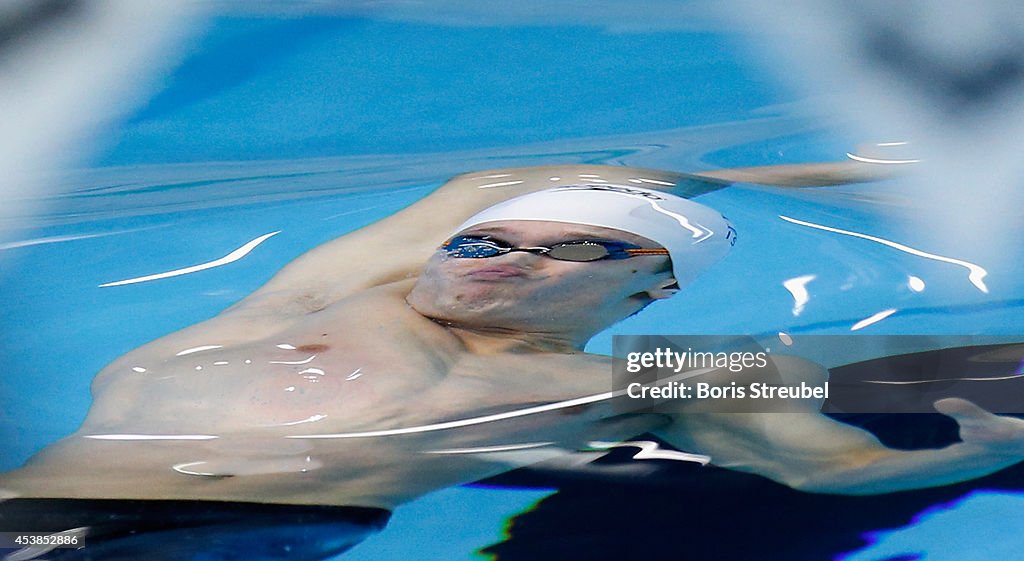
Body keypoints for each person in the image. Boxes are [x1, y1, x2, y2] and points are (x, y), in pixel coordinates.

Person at [1, 163, 1021, 560]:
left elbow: (824, 467)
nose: (509, 258)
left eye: (573, 251)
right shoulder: (317, 300)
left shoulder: (641, 378)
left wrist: (976, 451)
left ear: (651, 289)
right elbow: (487, 184)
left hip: (222, 544)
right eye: (485, 243)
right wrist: (802, 174)